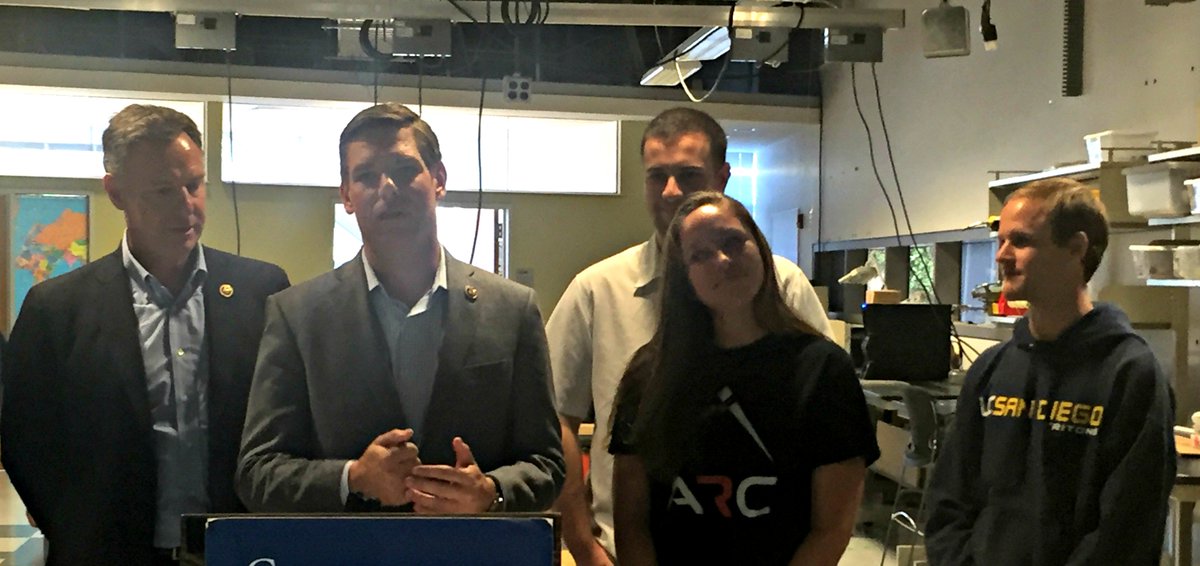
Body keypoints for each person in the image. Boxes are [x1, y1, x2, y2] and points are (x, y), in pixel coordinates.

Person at [236, 102, 564, 514]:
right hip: (349, 548)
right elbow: (257, 472)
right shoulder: (297, 316)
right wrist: (353, 478)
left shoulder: (512, 311)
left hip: (473, 546)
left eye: (405, 169)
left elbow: (547, 463)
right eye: (366, 176)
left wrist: (492, 492)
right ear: (346, 195)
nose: (387, 187)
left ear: (439, 179)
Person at [0, 104, 291, 565]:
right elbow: (26, 438)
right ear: (116, 192)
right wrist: (74, 531)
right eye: (162, 191)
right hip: (108, 553)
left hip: (236, 549)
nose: (186, 205)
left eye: (194, 184)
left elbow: (284, 422)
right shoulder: (56, 309)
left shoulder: (263, 292)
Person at [547, 106, 834, 565]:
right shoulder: (597, 290)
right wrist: (583, 545)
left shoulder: (784, 286)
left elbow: (829, 424)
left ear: (722, 178)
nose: (671, 191)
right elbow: (553, 417)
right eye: (656, 176)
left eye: (688, 175)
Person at [608, 191, 879, 565]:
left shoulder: (824, 372)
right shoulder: (649, 374)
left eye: (733, 242)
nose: (722, 259)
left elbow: (830, 530)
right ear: (684, 278)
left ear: (760, 248)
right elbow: (631, 525)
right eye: (700, 255)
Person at [925, 178, 1177, 565]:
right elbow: (949, 498)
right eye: (1001, 240)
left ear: (1076, 248)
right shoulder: (992, 369)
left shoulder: (1129, 374)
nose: (1002, 255)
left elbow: (1128, 528)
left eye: (1021, 241)